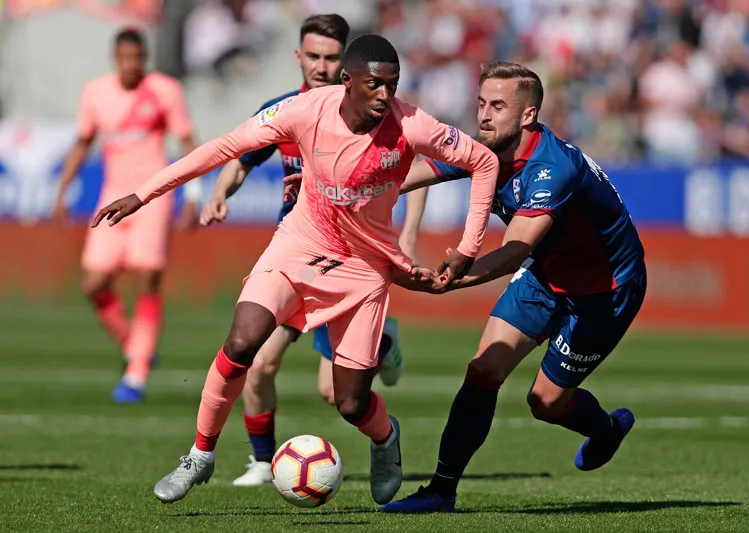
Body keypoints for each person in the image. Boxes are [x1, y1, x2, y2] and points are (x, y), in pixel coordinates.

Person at [91, 34, 499, 506]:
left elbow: (483, 160)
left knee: (349, 402)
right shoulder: (303, 111)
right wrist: (144, 194)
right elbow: (224, 147)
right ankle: (199, 455)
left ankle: (386, 439)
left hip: (364, 269)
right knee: (242, 344)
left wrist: (468, 248)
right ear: (347, 81)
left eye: (392, 85)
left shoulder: (412, 124)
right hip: (299, 246)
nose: (385, 96)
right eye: (374, 85)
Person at [381, 61, 647, 513]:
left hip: (605, 291)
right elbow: (412, 175)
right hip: (547, 276)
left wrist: (453, 278)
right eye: (482, 103)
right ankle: (441, 491)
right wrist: (343, 192)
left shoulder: (551, 169)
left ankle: (605, 429)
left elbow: (514, 251)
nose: (484, 115)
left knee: (544, 402)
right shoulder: (484, 148)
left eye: (498, 106)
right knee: (483, 372)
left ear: (528, 115)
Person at [198, 13, 426, 487]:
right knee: (256, 360)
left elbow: (417, 167)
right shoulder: (284, 110)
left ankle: (383, 345)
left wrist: (406, 238)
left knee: (334, 393)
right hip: (295, 257)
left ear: (345, 65)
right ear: (298, 56)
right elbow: (241, 158)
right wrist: (221, 193)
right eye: (313, 56)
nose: (320, 67)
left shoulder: (373, 117)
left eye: (330, 58)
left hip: (348, 266)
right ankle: (262, 461)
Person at [54, 27, 201, 404]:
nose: (131, 65)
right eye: (125, 59)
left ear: (145, 58)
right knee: (93, 283)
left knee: (146, 279)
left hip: (151, 198)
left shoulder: (165, 90)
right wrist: (63, 190)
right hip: (111, 199)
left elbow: (187, 144)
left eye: (137, 58)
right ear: (115, 58)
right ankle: (135, 345)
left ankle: (135, 375)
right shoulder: (96, 92)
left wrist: (193, 196)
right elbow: (83, 142)